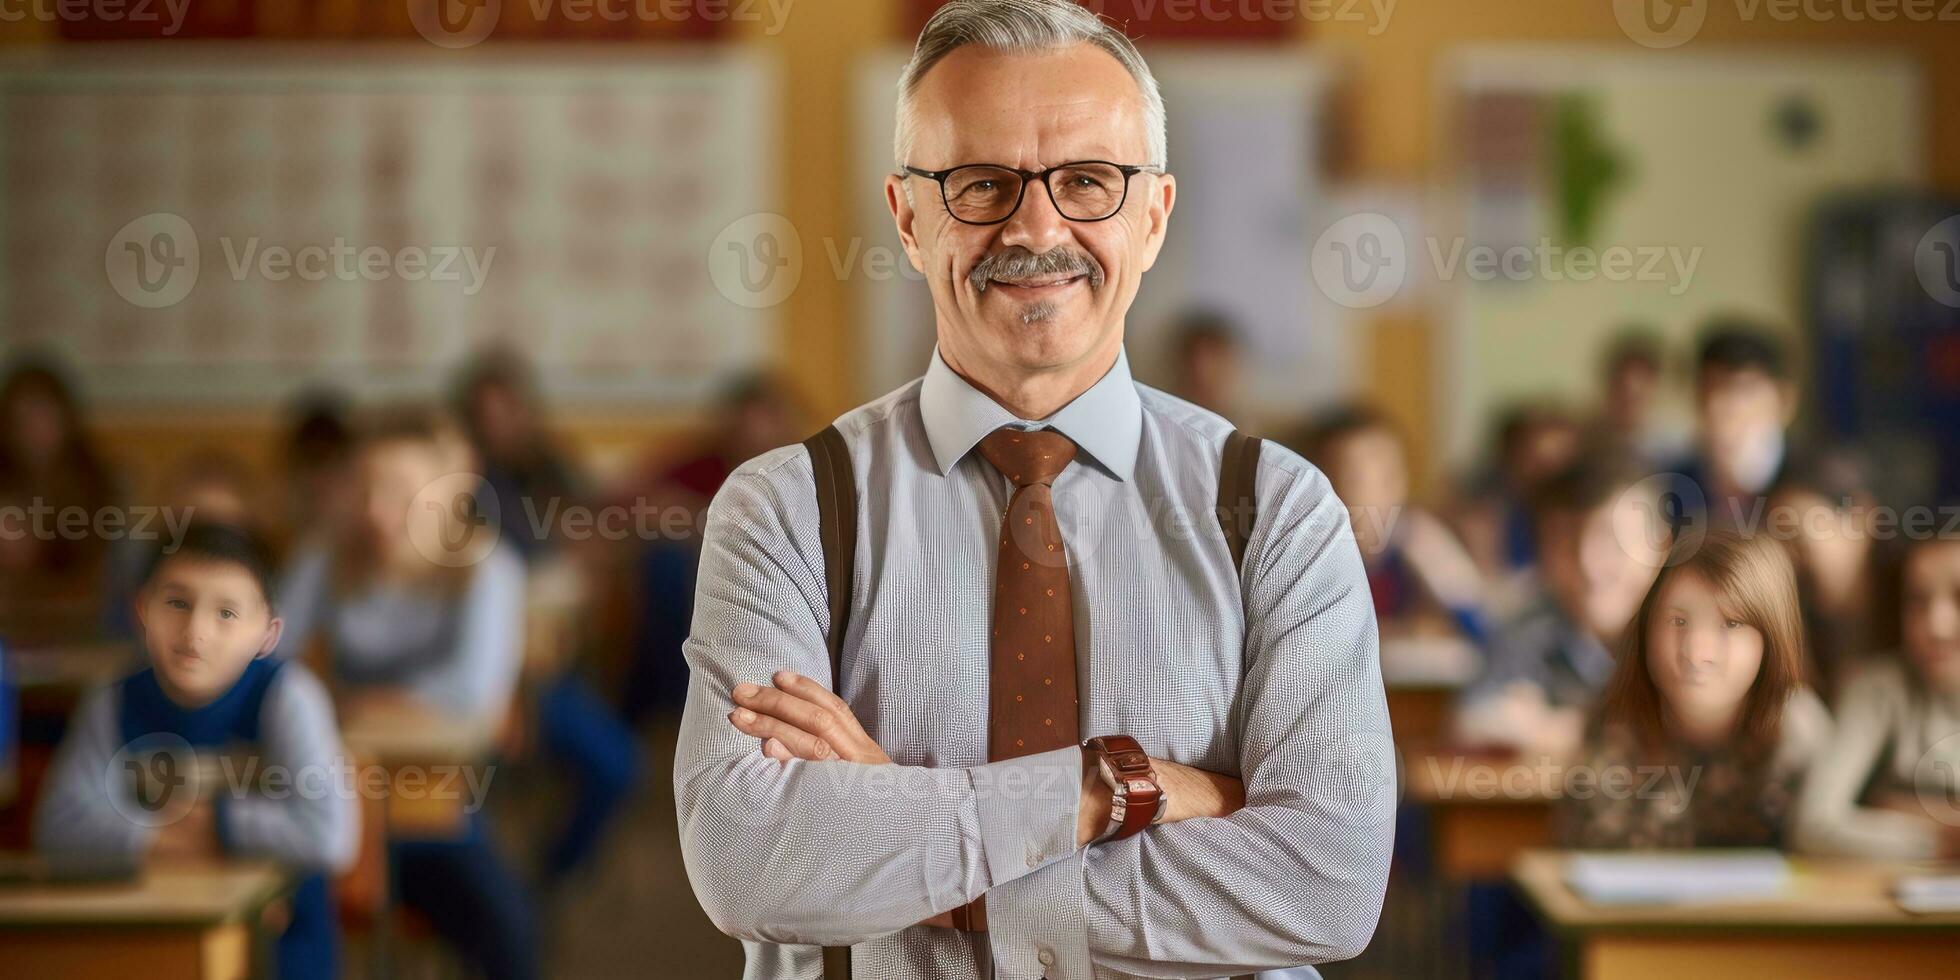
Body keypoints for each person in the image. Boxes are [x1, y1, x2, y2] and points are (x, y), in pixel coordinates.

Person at [674, 4, 1393, 978]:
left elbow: (1325, 882)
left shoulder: (1277, 511)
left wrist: (900, 818)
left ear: (1152, 216)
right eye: (979, 184)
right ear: (906, 216)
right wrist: (1113, 789)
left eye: (1088, 182)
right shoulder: (787, 510)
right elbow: (752, 863)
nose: (1036, 225)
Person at [273, 408, 538, 980]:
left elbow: (471, 693)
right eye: (366, 488)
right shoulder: (325, 556)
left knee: (508, 929)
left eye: (399, 492)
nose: (375, 510)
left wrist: (345, 704)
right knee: (292, 921)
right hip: (329, 787)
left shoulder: (488, 569)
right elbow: (266, 660)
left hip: (435, 795)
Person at [35, 523, 358, 980]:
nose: (195, 632)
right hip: (147, 939)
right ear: (141, 608)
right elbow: (59, 825)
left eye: (226, 613)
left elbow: (329, 834)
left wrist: (217, 823)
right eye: (177, 603)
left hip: (280, 944)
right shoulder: (113, 698)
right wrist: (168, 836)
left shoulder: (288, 696)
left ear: (268, 634)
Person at [1561, 529, 1832, 848]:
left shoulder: (1800, 732)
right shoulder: (1614, 722)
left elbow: (1825, 859)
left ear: (1772, 638)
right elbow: (1584, 862)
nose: (1696, 652)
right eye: (1678, 621)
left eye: (1731, 623)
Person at [1455, 457, 1667, 757]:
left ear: (1661, 546)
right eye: (1565, 541)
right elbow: (1472, 721)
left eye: (1612, 539)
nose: (1588, 564)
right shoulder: (1528, 630)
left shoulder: (1688, 631)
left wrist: (1562, 726)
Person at [1792, 531, 1960, 860]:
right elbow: (1813, 825)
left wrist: (1895, 807)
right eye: (1917, 600)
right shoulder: (1876, 688)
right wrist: (1947, 839)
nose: (1936, 625)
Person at [1296, 404, 1487, 645]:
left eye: (1388, 476)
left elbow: (1476, 626)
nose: (1376, 493)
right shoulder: (1301, 552)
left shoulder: (1419, 541)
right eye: (1354, 477)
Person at [1766, 451, 1886, 700]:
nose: (1789, 563)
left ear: (1861, 518)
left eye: (1797, 540)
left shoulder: (1915, 610)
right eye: (1778, 546)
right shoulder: (1791, 634)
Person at [1667, 320, 1800, 529]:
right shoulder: (1671, 486)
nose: (1718, 405)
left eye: (1741, 390)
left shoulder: (1810, 481)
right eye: (1709, 388)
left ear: (1784, 401)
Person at [1166, 308, 1244, 420]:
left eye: (1215, 368)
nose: (1203, 372)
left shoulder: (1254, 431)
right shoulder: (1160, 420)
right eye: (1192, 367)